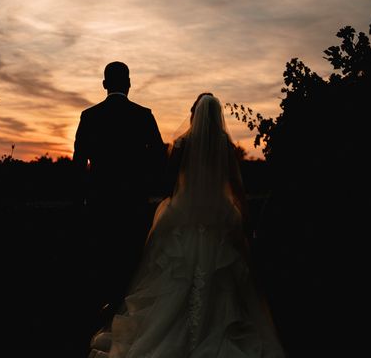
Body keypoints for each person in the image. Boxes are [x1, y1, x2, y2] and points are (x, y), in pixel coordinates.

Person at [88, 93, 285, 358]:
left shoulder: (182, 144)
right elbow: (236, 186)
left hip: (184, 215)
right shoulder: (224, 145)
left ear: (194, 115)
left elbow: (168, 183)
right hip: (218, 216)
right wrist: (244, 215)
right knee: (224, 279)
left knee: (172, 276)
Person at [73, 61, 167, 334]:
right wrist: (145, 184)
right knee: (131, 260)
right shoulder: (144, 115)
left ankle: (103, 317)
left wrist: (82, 199)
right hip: (134, 202)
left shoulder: (89, 116)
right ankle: (129, 318)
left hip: (100, 203)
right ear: (128, 83)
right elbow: (160, 158)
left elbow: (79, 163)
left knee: (103, 259)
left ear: (105, 85)